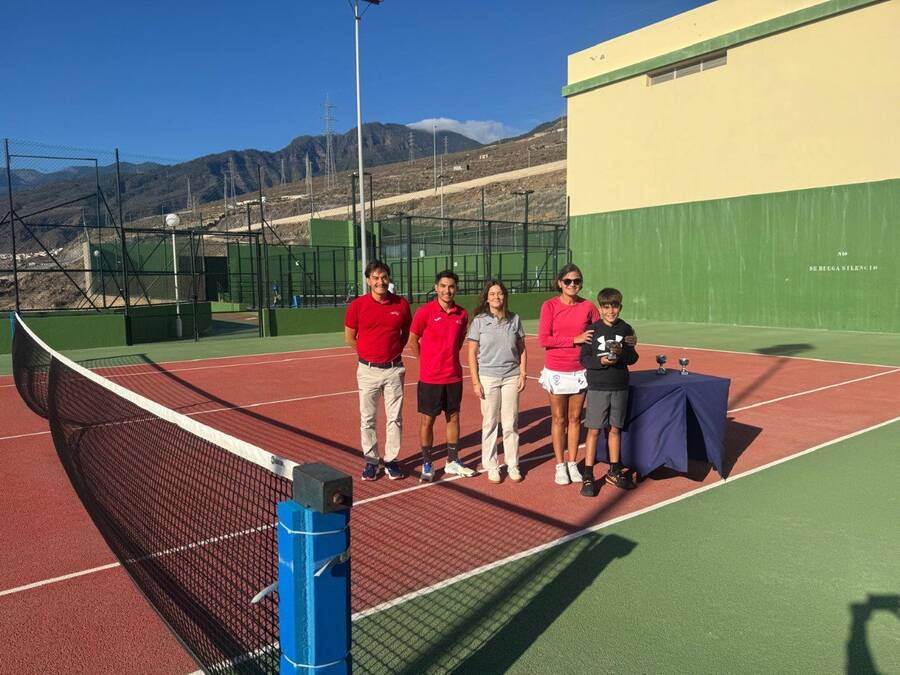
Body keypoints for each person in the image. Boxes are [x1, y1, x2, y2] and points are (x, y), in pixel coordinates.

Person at [345, 260, 412, 481]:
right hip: (367, 371)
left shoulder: (401, 304)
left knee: (395, 419)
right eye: (375, 278)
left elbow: (405, 333)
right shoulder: (357, 306)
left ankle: (391, 460)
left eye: (383, 277)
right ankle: (372, 461)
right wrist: (368, 355)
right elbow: (350, 337)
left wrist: (393, 353)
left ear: (388, 278)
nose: (380, 282)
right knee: (368, 419)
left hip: (394, 370)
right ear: (368, 280)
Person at [409, 270, 476, 482]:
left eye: (451, 286)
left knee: (453, 417)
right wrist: (424, 361)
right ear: (436, 287)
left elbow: (459, 341)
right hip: (430, 378)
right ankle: (427, 463)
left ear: (456, 289)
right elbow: (413, 339)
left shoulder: (462, 314)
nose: (447, 290)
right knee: (427, 421)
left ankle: (453, 460)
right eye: (443, 286)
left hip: (453, 376)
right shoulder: (424, 312)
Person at [538, 263, 599, 485]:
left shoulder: (588, 306)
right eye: (568, 281)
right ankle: (560, 465)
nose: (572, 284)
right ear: (560, 283)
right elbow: (544, 339)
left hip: (580, 370)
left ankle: (572, 463)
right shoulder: (549, 306)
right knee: (559, 419)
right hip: (556, 369)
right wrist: (575, 339)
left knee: (575, 419)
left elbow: (600, 332)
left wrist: (625, 336)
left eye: (576, 281)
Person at [466, 280, 527, 483]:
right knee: (490, 423)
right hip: (488, 377)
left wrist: (523, 373)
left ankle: (513, 464)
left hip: (511, 376)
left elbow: (522, 349)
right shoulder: (479, 321)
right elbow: (471, 353)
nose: (496, 297)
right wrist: (475, 382)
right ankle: (491, 465)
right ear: (486, 298)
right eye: (492, 294)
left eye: (499, 293)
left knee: (510, 423)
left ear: (505, 296)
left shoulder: (514, 319)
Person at [580, 287, 639, 496]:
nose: (611, 311)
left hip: (619, 385)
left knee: (615, 429)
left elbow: (633, 358)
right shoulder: (592, 329)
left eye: (614, 307)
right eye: (606, 307)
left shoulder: (626, 328)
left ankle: (614, 471)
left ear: (620, 307)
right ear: (600, 308)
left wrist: (622, 353)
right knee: (594, 430)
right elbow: (584, 359)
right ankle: (588, 475)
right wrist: (601, 361)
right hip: (598, 386)